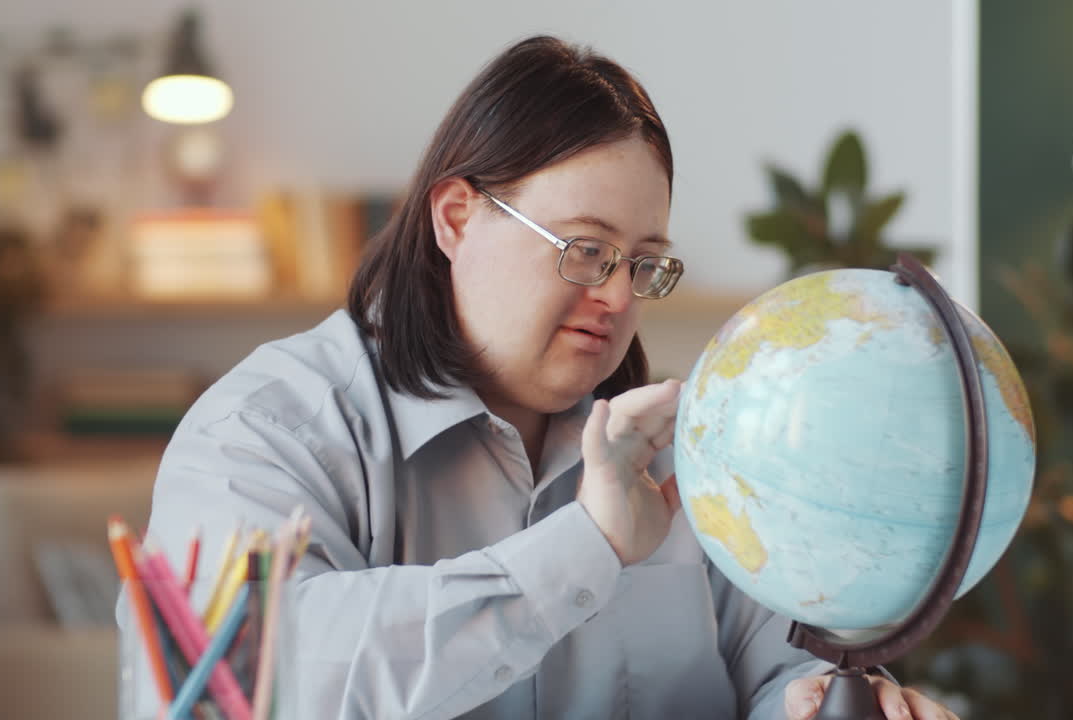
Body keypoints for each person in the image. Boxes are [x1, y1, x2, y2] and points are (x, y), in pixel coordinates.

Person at [134, 35, 957, 719]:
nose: (617, 297)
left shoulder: (692, 457)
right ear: (456, 218)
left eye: (643, 263)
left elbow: (780, 672)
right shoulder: (263, 429)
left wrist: (823, 701)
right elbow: (270, 682)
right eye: (586, 250)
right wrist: (586, 547)